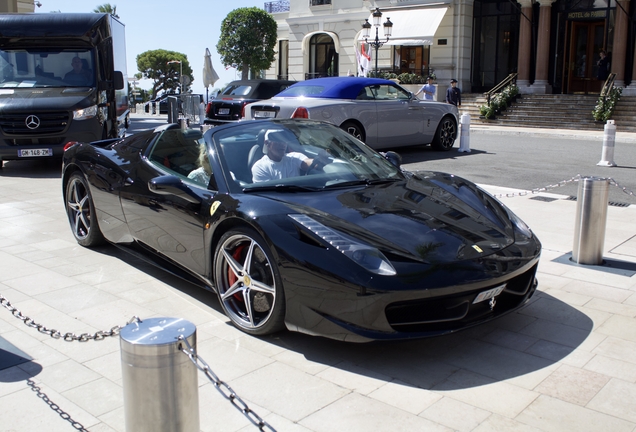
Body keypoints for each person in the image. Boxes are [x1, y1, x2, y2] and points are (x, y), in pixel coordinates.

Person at [252, 130, 323, 182]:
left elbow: (310, 163)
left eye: (284, 141)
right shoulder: (260, 167)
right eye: (278, 141)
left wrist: (321, 158)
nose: (283, 144)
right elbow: (267, 195)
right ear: (267, 143)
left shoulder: (294, 157)